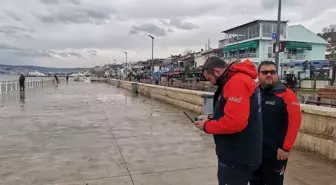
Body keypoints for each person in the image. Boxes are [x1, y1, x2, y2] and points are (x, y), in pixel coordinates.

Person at [194, 57, 263, 185]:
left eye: (210, 78)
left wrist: (207, 126)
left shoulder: (236, 82)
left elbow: (235, 122)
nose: (211, 83)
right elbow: (234, 111)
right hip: (238, 152)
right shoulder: (237, 80)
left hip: (237, 156)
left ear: (216, 71)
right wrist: (211, 118)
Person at [250, 61, 301, 185]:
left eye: (272, 72)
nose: (269, 75)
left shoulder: (287, 95)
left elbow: (294, 123)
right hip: (254, 151)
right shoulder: (253, 92)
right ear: (258, 75)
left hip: (276, 153)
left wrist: (285, 148)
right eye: (264, 72)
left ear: (277, 74)